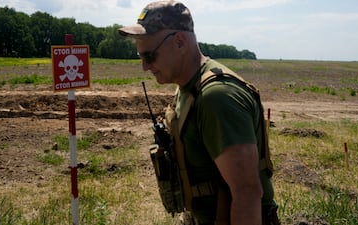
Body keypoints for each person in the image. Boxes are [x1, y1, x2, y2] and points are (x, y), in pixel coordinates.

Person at [118, 1, 280, 224]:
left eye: (150, 56)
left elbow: (247, 193)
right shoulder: (188, 87)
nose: (145, 67)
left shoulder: (217, 97)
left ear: (180, 42)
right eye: (141, 57)